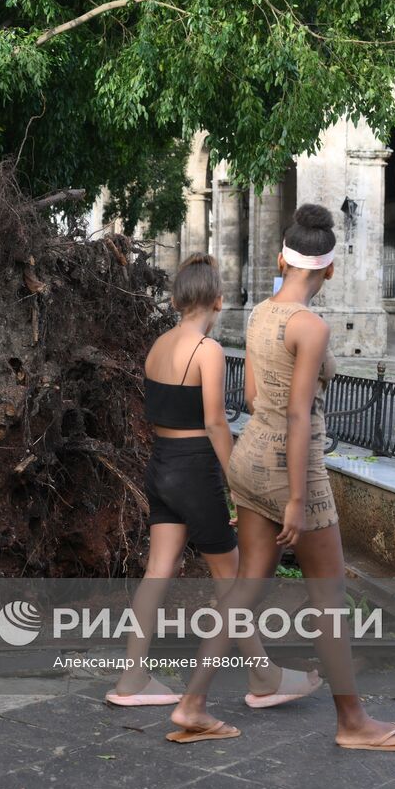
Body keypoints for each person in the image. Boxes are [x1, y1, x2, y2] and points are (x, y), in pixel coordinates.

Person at [166, 205, 395, 752]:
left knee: (244, 587)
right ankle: (352, 722)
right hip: (292, 468)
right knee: (329, 596)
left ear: (281, 258)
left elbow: (257, 399)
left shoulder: (260, 312)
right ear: (330, 270)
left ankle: (192, 703)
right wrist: (298, 499)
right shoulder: (311, 325)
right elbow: (299, 416)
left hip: (249, 460)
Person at [107, 254, 319, 710]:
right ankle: (264, 677)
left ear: (176, 298)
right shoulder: (208, 351)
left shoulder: (157, 346)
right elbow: (216, 424)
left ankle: (131, 679)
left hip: (160, 467)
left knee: (157, 571)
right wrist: (237, 479)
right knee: (233, 577)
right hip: (195, 469)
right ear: (219, 300)